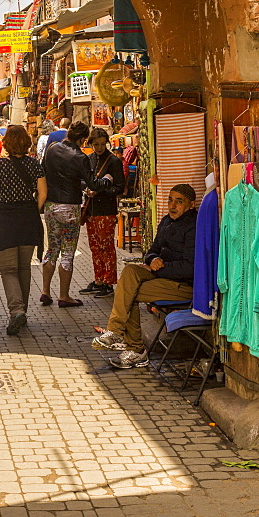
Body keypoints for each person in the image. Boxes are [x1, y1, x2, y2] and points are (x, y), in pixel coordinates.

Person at [92, 184, 197, 369]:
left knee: (129, 292)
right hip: (161, 276)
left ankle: (134, 349)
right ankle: (119, 334)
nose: (172, 205)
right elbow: (152, 250)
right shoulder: (166, 221)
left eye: (179, 202)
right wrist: (153, 258)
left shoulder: (193, 226)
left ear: (190, 205)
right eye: (170, 200)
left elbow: (190, 267)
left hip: (182, 286)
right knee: (130, 272)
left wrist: (157, 269)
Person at [0, 126, 47, 335]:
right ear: (27, 142)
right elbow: (43, 193)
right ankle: (23, 311)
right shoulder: (34, 165)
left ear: (7, 143)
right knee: (24, 269)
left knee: (8, 269)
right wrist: (33, 210)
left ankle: (17, 310)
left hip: (4, 220)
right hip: (27, 219)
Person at [40, 121, 92, 307]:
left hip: (51, 205)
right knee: (68, 252)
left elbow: (42, 171)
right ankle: (64, 296)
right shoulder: (80, 156)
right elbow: (91, 183)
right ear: (82, 139)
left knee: (52, 248)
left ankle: (45, 291)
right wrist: (107, 180)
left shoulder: (52, 149)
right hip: (70, 207)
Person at [80, 129, 125, 298]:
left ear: (106, 142)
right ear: (90, 144)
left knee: (106, 247)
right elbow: (83, 180)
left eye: (101, 144)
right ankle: (98, 279)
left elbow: (120, 187)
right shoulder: (88, 159)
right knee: (95, 247)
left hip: (106, 210)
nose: (99, 147)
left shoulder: (113, 161)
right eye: (95, 144)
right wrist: (86, 189)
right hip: (91, 210)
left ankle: (108, 282)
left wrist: (99, 192)